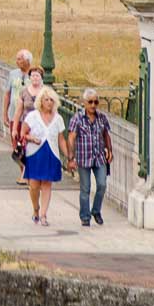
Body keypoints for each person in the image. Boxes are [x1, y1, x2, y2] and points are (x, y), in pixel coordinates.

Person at [67, 88, 114, 226]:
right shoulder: (78, 118)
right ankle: (85, 216)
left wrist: (109, 150)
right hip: (84, 157)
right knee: (85, 188)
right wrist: (71, 157)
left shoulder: (101, 118)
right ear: (84, 103)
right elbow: (71, 137)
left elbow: (106, 134)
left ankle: (96, 210)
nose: (93, 105)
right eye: (90, 102)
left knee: (102, 184)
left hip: (99, 156)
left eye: (96, 102)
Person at [22, 87, 67, 226]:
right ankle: (36, 208)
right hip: (35, 154)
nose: (49, 102)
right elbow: (23, 133)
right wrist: (32, 138)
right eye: (46, 100)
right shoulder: (32, 116)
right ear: (41, 101)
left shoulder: (58, 119)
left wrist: (69, 157)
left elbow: (61, 140)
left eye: (51, 100)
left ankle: (43, 215)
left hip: (51, 154)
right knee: (34, 185)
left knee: (47, 184)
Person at [4, 50, 34, 184]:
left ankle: (27, 173)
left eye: (20, 59)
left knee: (26, 145)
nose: (17, 61)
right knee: (16, 145)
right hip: (14, 115)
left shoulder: (34, 75)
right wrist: (5, 113)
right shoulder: (12, 74)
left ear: (27, 61)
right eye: (17, 59)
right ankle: (23, 171)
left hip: (28, 118)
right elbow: (7, 94)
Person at [13, 67, 45, 186]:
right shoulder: (24, 92)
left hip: (41, 126)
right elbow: (18, 111)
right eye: (33, 76)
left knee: (39, 151)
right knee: (26, 151)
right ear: (29, 78)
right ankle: (27, 175)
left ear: (41, 78)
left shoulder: (45, 92)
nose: (35, 78)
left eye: (37, 76)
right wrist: (15, 128)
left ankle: (34, 177)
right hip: (27, 127)